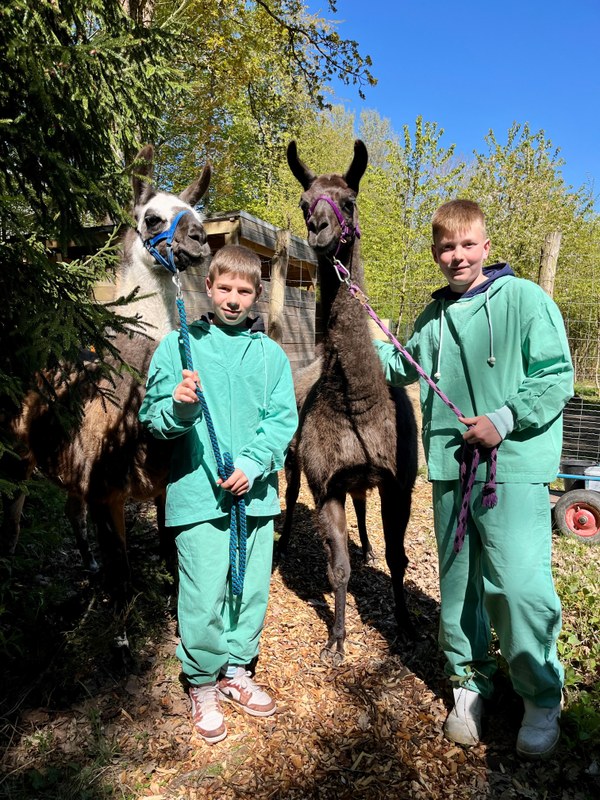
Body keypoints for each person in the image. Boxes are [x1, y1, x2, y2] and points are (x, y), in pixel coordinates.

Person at [374, 199, 573, 759]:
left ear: (485, 246)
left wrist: (504, 419)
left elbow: (556, 375)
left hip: (511, 467)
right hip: (451, 467)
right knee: (460, 584)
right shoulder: (431, 317)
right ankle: (469, 682)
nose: (457, 255)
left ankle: (541, 694)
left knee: (517, 584)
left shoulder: (525, 300)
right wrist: (364, 338)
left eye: (467, 244)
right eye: (446, 247)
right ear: (435, 253)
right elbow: (402, 366)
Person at [139, 244, 298, 744]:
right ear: (207, 287)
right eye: (224, 288)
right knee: (203, 590)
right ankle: (203, 681)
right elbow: (153, 418)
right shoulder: (179, 346)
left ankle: (235, 670)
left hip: (255, 496)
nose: (233, 299)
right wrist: (181, 408)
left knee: (249, 590)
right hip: (197, 495)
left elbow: (282, 420)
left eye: (244, 291)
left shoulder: (270, 356)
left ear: (257, 295)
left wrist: (253, 464)